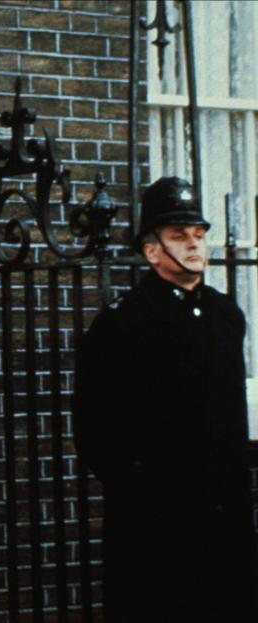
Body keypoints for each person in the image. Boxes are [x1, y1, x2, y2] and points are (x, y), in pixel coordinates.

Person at [72, 176, 257, 622]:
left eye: (199, 235)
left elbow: (229, 416)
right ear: (152, 250)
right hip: (156, 525)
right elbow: (95, 429)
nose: (194, 245)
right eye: (179, 236)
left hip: (224, 519)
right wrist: (143, 488)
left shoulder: (225, 315)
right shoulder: (122, 324)